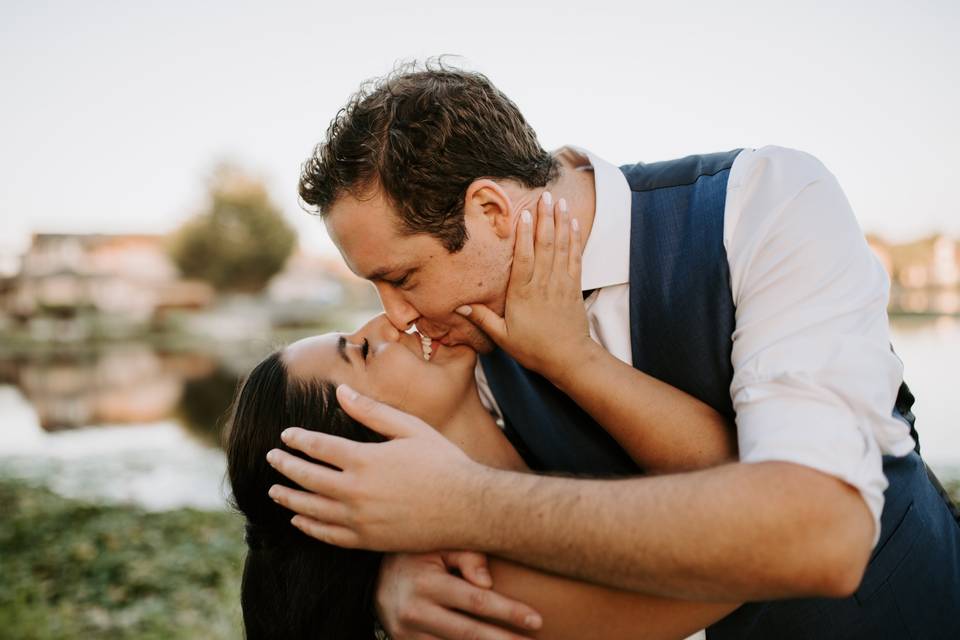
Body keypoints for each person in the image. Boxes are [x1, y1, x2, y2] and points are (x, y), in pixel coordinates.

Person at [274, 61, 960, 639]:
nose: (393, 316)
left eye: (402, 277)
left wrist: (466, 502)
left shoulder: (766, 204)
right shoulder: (462, 344)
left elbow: (819, 533)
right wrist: (390, 571)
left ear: (490, 212)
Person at [227, 308, 739, 639]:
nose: (388, 319)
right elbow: (750, 550)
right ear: (358, 456)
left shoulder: (524, 408)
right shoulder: (474, 589)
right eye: (361, 350)